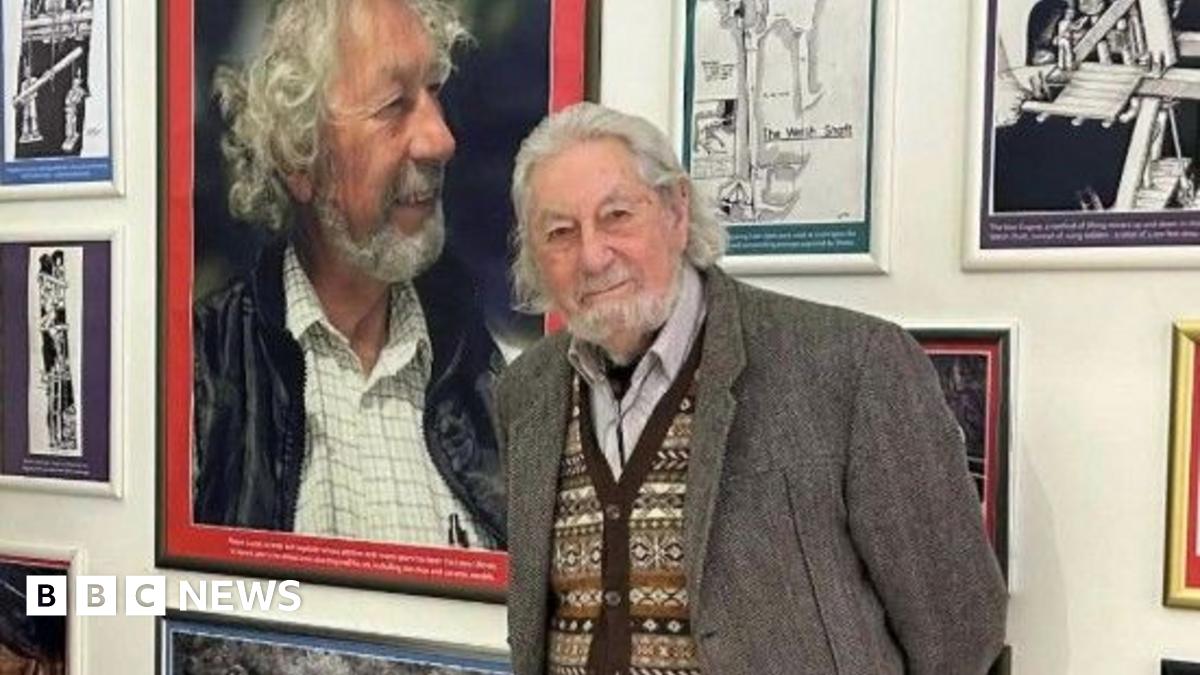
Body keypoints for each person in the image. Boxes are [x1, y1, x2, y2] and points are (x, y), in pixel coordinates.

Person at [495, 102, 1007, 674]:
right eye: (560, 232)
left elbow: (960, 628)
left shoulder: (851, 367)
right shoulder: (526, 394)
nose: (592, 256)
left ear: (676, 211)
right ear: (534, 256)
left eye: (617, 216)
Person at [192, 0, 505, 550]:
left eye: (434, 91)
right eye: (393, 106)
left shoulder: (481, 370)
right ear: (300, 159)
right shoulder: (206, 371)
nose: (441, 140)